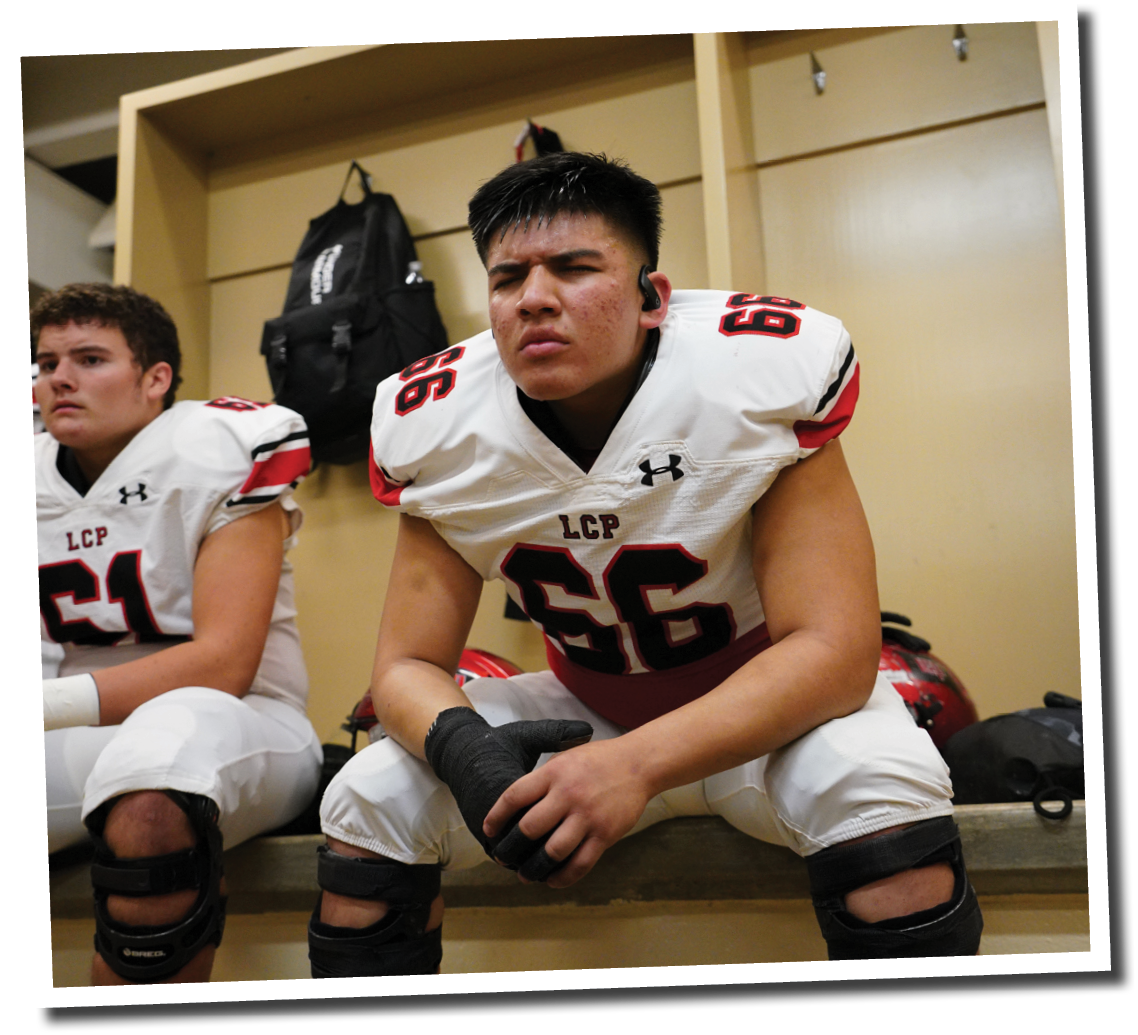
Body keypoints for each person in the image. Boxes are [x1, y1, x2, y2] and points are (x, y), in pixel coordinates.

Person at [307, 153, 983, 976]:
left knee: (880, 787)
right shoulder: (441, 426)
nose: (534, 297)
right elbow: (407, 663)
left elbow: (836, 654)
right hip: (583, 708)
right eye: (508, 276)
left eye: (575, 267)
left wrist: (635, 765)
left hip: (769, 720)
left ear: (651, 296)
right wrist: (461, 749)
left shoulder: (750, 377)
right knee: (368, 796)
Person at [34, 284, 323, 984]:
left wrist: (39, 708)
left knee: (154, 780)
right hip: (76, 728)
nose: (59, 378)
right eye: (44, 362)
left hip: (244, 716)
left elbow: (223, 663)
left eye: (91, 357)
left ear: (155, 378)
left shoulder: (216, 446)